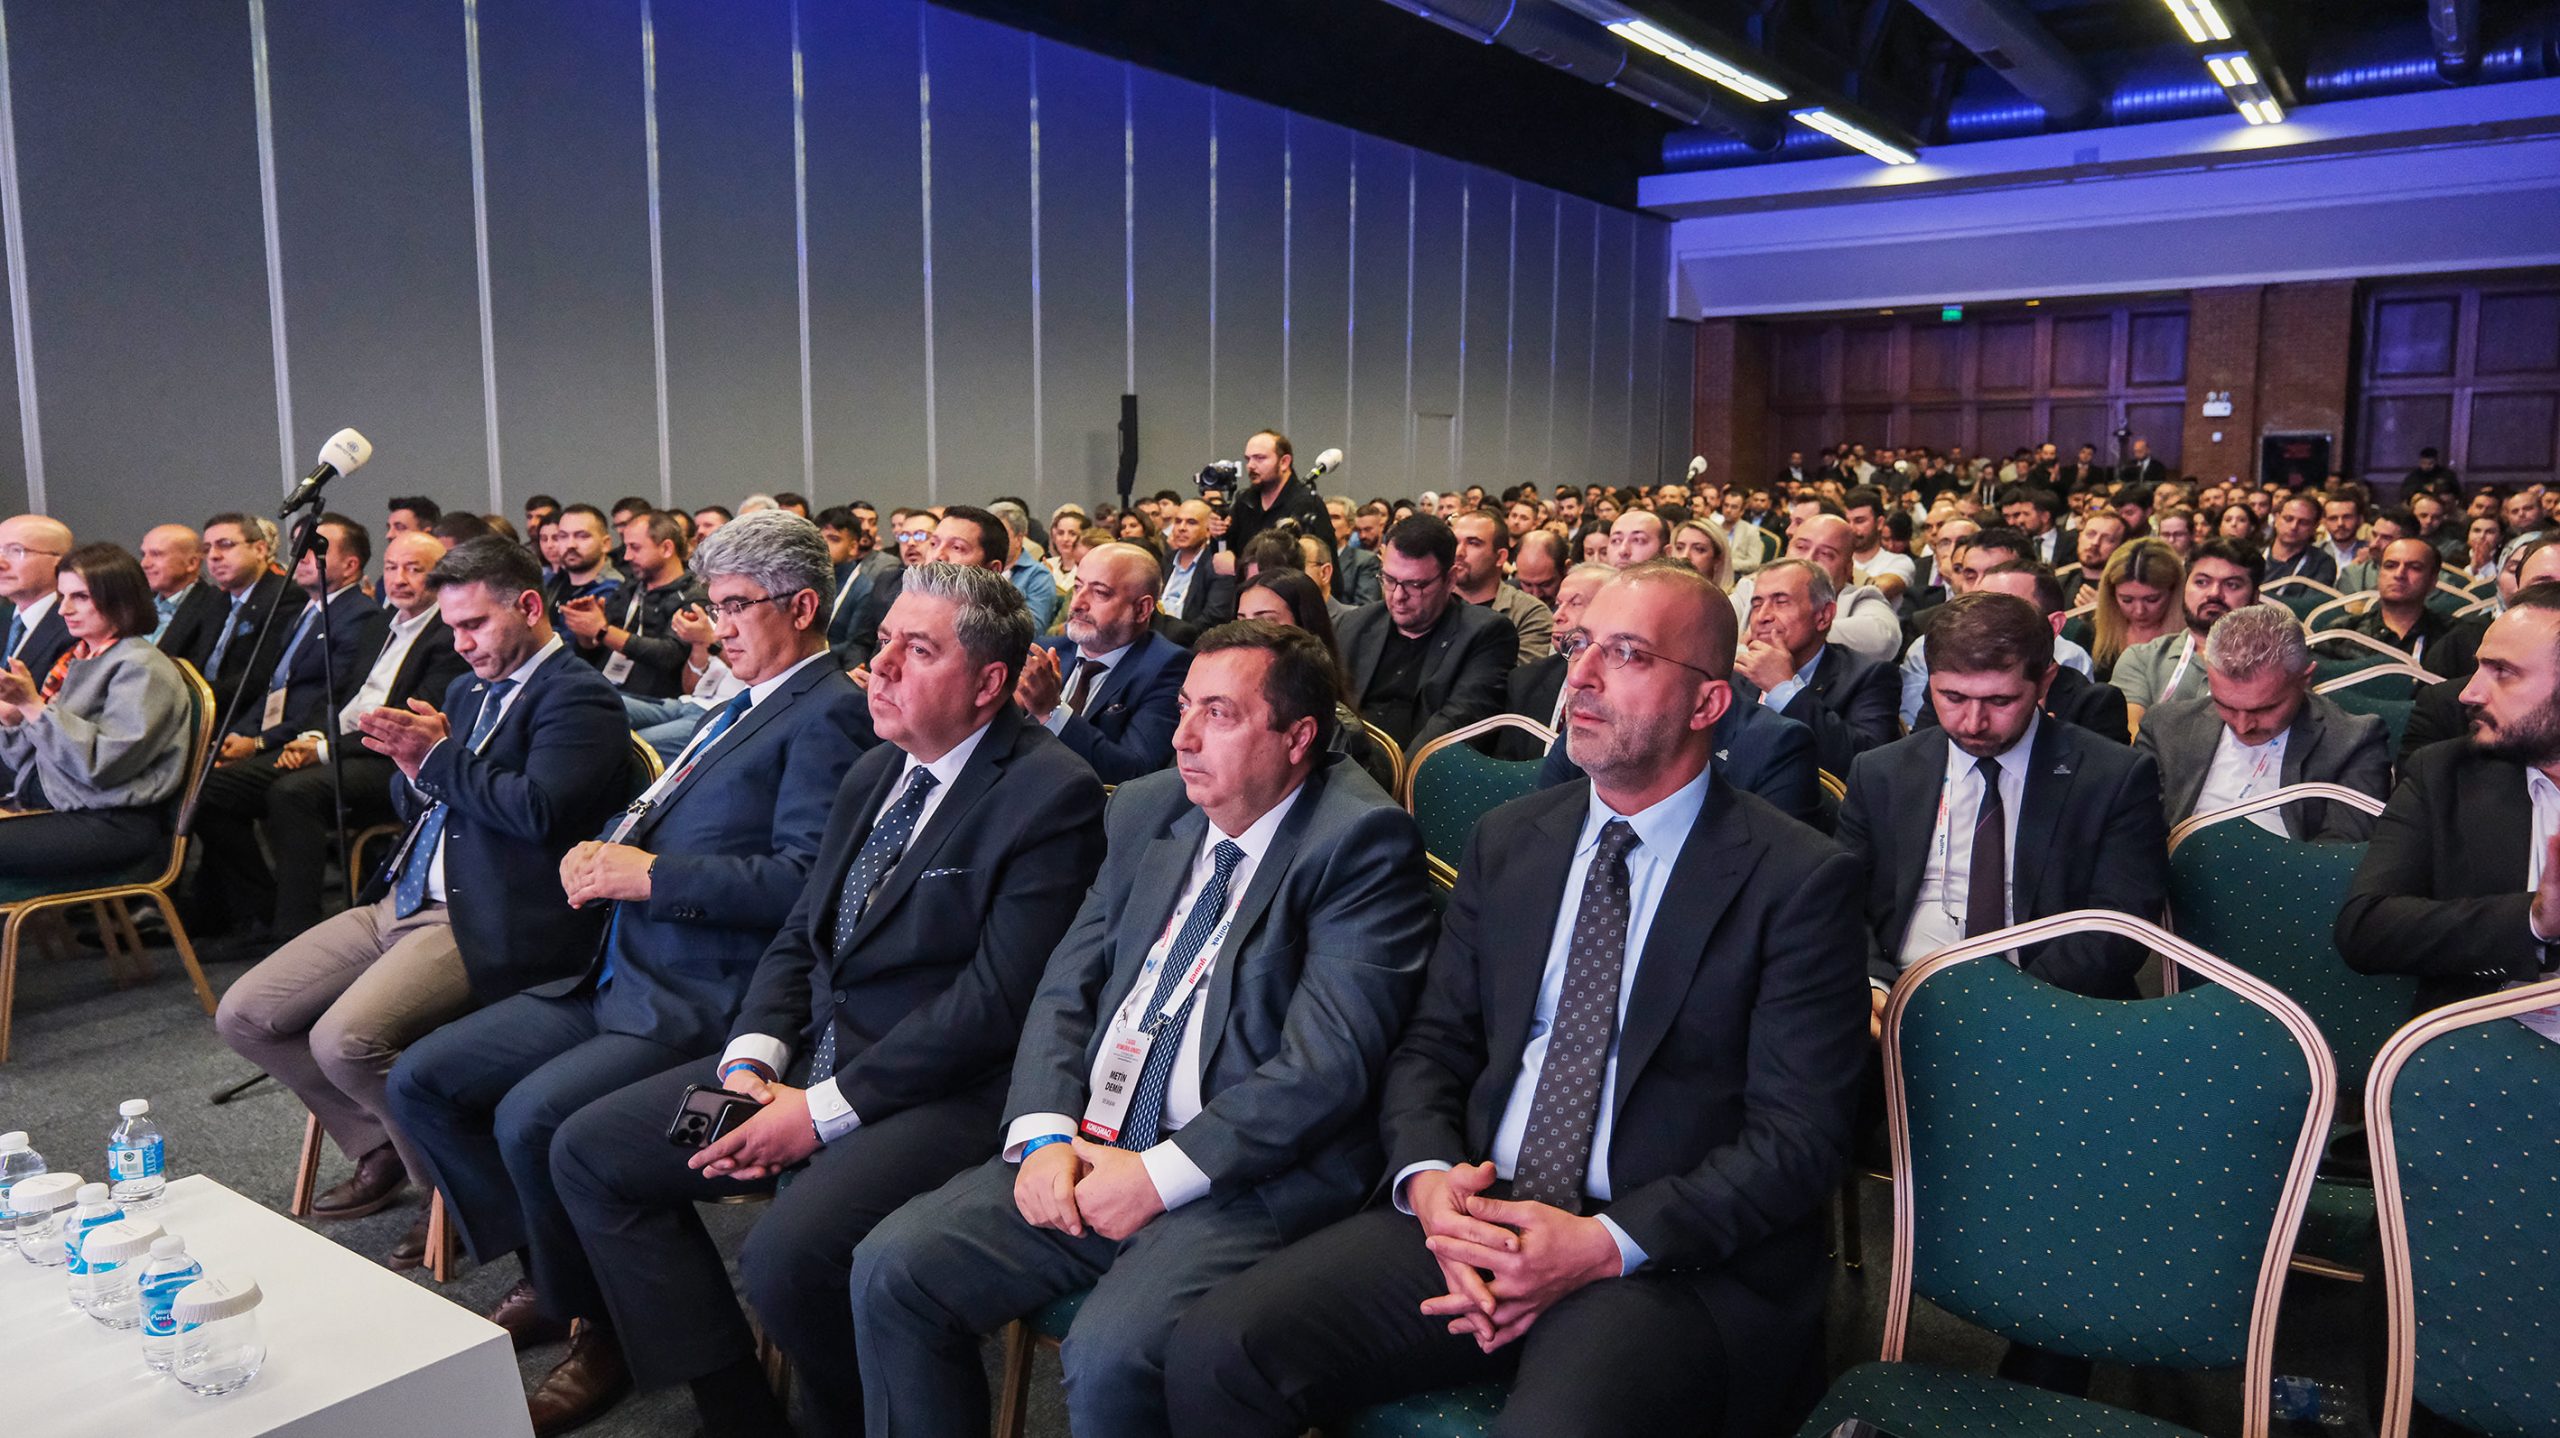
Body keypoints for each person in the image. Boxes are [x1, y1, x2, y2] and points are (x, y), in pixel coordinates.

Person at [1166, 562, 1869, 1438]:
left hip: (1661, 1256)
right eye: (1580, 647)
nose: (1582, 676)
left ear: (1708, 703)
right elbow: (1433, 1046)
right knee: (1219, 1352)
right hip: (1478, 1209)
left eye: (1627, 653)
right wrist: (1428, 1180)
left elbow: (1797, 1139)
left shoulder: (1797, 880)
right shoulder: (1511, 841)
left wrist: (1602, 1244)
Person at [541, 564, 1107, 1438]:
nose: (881, 668)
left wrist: (817, 1114)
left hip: (946, 1088)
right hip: (811, 1057)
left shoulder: (1049, 792)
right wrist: (751, 1058)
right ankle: (740, 1413)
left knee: (789, 1258)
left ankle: (846, 1420)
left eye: (919, 651)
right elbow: (801, 935)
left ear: (989, 682)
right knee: (590, 1152)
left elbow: (994, 1004)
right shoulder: (877, 768)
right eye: (883, 642)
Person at [851, 620, 1436, 1438]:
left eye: (1219, 715)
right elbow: (1067, 985)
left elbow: (1325, 1066)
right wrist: (1043, 1133)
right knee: (893, 1269)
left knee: (1114, 1354)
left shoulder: (1359, 842)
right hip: (1095, 1139)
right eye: (1185, 706)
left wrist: (1158, 1177)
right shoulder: (1148, 807)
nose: (1183, 737)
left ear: (1299, 736)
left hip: (1238, 1175)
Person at [385, 511, 871, 1384]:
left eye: (736, 606)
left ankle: (598, 1325)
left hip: (703, 997)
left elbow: (806, 885)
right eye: (714, 606)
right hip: (614, 972)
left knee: (535, 1119)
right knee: (423, 1079)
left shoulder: (828, 712)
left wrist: (650, 875)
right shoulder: (746, 703)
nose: (717, 627)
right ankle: (561, 1281)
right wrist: (606, 848)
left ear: (802, 608)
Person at [212, 538, 631, 1262]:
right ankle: (379, 1143)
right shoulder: (467, 692)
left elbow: (538, 814)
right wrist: (413, 764)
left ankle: (457, 1188)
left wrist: (437, 758)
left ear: (530, 607)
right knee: (244, 1014)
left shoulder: (578, 696)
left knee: (345, 1042)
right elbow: (419, 802)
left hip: (485, 914)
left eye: (474, 624)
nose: (461, 644)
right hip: (404, 898)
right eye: (452, 628)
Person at [1838, 590, 2170, 1004]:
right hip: (1901, 991)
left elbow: (2118, 924)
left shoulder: (2112, 777)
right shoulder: (1880, 772)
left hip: (2052, 1000)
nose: (1973, 723)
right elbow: (1842, 901)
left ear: (2044, 682)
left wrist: (2011, 1005)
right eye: (1953, 697)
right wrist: (1873, 981)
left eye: (2000, 700)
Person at [193, 531, 464, 944]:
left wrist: (321, 750)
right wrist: (311, 735)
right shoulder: (380, 625)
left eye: (415, 569)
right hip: (337, 744)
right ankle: (260, 908)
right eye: (392, 567)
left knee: (293, 793)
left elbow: (407, 725)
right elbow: (337, 694)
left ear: (441, 576)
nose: (399, 579)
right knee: (210, 790)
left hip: (391, 761)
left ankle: (296, 930)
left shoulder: (448, 635)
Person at [2340, 585, 2560, 1016]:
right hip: (2488, 1032)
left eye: (2503, 672)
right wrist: (2534, 920)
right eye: (2480, 667)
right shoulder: (2444, 773)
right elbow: (2366, 929)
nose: (2469, 693)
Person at [0, 544, 193, 879]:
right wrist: (15, 717)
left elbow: (101, 766)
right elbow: (27, 759)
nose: (64, 610)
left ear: (121, 600)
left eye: (80, 597)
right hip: (63, 806)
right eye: (63, 596)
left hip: (111, 821)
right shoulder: (80, 658)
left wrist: (32, 707)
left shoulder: (141, 667)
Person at [2133, 603, 2389, 839]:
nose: (2243, 726)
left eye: (2265, 709)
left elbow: (2340, 852)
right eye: (2225, 705)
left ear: (2305, 678)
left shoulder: (2353, 741)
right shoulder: (2165, 726)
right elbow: (2136, 834)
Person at [216, 513, 385, 767]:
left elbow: (328, 699)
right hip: (270, 734)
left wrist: (258, 743)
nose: (301, 557)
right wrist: (239, 733)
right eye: (298, 546)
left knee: (215, 783)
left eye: (314, 549)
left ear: (350, 566)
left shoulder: (360, 616)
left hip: (301, 741)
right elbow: (274, 684)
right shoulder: (303, 612)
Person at [1335, 515, 1515, 753]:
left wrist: (1395, 773)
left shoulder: (1486, 633)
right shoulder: (1354, 624)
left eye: (1415, 585)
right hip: (1347, 762)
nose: (1398, 596)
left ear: (1450, 580)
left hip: (1423, 769)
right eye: (1389, 579)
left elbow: (1458, 722)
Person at [1017, 542, 1192, 783]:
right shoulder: (1046, 651)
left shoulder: (1167, 666)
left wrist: (1052, 711)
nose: (1077, 604)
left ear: (1142, 609)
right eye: (1077, 587)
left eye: (1100, 593)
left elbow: (1136, 770)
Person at [1733, 558, 1900, 778]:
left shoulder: (1869, 677)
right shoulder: (1735, 674)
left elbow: (1869, 766)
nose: (1763, 616)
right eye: (1756, 605)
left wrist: (1784, 689)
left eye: (1781, 602)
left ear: (1824, 615)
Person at [1235, 569, 1394, 792]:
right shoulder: (1228, 704)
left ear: (1304, 630)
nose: (1248, 636)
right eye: (1241, 622)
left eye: (1266, 621)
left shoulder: (1337, 731)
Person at [2111, 539, 2263, 728]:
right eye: (2202, 582)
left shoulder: (2273, 665)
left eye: (2232, 585)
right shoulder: (2142, 658)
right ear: (2184, 587)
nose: (2214, 593)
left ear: (2255, 597)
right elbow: (2129, 733)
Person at [562, 511, 706, 701]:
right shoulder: (629, 588)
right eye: (626, 547)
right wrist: (586, 635)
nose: (627, 556)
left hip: (655, 701)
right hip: (607, 688)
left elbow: (669, 655)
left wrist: (603, 631)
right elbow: (595, 653)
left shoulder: (692, 596)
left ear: (666, 548)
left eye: (635, 548)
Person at [1728, 514, 1900, 665]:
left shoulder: (1858, 597)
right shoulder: (1751, 589)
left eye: (1826, 554)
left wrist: (1777, 635)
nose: (1808, 559)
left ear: (1848, 569)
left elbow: (1884, 640)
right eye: (1801, 547)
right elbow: (1713, 630)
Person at [2323, 537, 2469, 672]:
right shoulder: (2344, 633)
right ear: (2379, 574)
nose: (2399, 574)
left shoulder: (2455, 637)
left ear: (2432, 581)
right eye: (2390, 566)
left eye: (2414, 567)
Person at [1449, 509, 1554, 664]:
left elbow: (1519, 675)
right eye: (1455, 542)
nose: (1459, 552)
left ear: (1500, 557)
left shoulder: (1529, 613)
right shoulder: (1432, 601)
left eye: (1473, 543)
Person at [2077, 538, 2186, 683]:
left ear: (2173, 592)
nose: (2139, 611)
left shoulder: (2193, 638)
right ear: (2111, 595)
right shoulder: (2090, 634)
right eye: (2127, 600)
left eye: (2152, 599)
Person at [1222, 429, 1333, 559]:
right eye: (1248, 459)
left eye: (1260, 458)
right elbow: (1228, 551)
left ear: (1284, 462)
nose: (1250, 465)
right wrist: (1218, 535)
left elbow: (1321, 561)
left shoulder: (1308, 503)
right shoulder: (1245, 501)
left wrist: (1236, 566)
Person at [0, 514, 75, 685]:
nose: (1, 563)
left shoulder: (74, 626)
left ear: (60, 561)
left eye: (16, 551)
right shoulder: (4, 618)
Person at [139, 523, 222, 656]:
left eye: (156, 554)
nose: (144, 563)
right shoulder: (135, 604)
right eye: (143, 554)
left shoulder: (215, 607)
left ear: (192, 563)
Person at [541, 504, 624, 622]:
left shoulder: (615, 590)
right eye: (563, 536)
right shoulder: (553, 582)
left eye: (582, 536)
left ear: (605, 544)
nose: (570, 544)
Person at [1160, 500, 1235, 628]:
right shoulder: (1166, 560)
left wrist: (1176, 635)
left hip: (1192, 636)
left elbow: (1214, 617)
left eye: (1191, 522)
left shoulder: (1217, 564)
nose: (1182, 528)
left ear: (1208, 531)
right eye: (1178, 521)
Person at [2264, 494, 2338, 585]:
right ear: (2276, 519)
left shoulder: (2322, 563)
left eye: (2303, 522)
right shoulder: (2256, 554)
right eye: (2288, 519)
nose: (2294, 527)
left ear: (2315, 527)